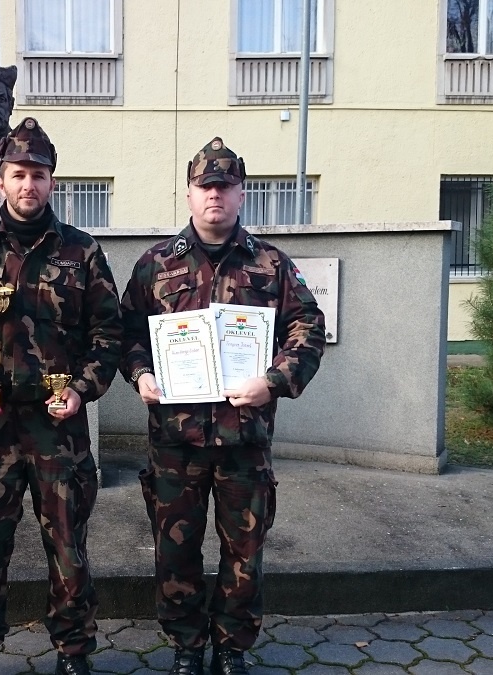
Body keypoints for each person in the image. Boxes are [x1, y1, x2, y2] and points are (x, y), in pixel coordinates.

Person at [118, 138, 326, 675]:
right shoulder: (156, 263)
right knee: (175, 551)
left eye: (225, 186)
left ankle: (232, 647)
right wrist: (140, 374)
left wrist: (274, 382)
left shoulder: (271, 263)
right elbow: (126, 333)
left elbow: (308, 327)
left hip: (244, 438)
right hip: (175, 441)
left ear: (241, 194)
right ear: (189, 193)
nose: (215, 194)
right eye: (205, 185)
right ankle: (187, 645)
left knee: (245, 550)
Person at [0, 117, 122, 675]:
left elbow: (108, 335)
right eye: (18, 174)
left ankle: (73, 650)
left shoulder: (82, 252)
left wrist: (82, 390)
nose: (28, 185)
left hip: (58, 427)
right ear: (1, 181)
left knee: (67, 546)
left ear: (52, 181)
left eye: (38, 175)